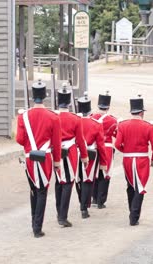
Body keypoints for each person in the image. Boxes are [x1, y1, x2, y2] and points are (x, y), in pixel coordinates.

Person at [16, 79, 62, 238]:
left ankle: (33, 222)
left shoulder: (24, 117)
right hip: (45, 159)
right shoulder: (53, 117)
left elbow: (20, 140)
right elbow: (56, 142)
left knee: (34, 191)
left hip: (29, 159)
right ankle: (37, 227)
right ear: (45, 96)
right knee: (42, 191)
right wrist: (57, 162)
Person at [115, 95, 153, 226]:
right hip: (141, 160)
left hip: (127, 160)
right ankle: (134, 217)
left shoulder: (122, 125)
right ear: (141, 112)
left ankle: (132, 211)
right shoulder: (148, 126)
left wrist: (126, 151)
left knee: (130, 186)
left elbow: (117, 144)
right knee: (140, 187)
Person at [55, 84, 89, 227]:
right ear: (69, 103)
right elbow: (80, 139)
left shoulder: (53, 117)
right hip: (70, 152)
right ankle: (63, 216)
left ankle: (59, 212)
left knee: (58, 182)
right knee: (68, 182)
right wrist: (85, 156)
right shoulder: (75, 118)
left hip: (55, 151)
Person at [75, 92, 108, 219]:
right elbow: (101, 145)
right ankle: (84, 207)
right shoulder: (96, 124)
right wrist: (104, 162)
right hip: (90, 154)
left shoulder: (75, 121)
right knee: (87, 180)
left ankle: (81, 202)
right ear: (89, 110)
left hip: (75, 152)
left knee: (78, 180)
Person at [91, 91, 118, 209]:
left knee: (94, 173)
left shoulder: (92, 117)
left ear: (98, 105)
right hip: (106, 148)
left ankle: (94, 198)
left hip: (94, 147)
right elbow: (116, 135)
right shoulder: (113, 120)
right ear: (108, 107)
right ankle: (101, 201)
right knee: (105, 175)